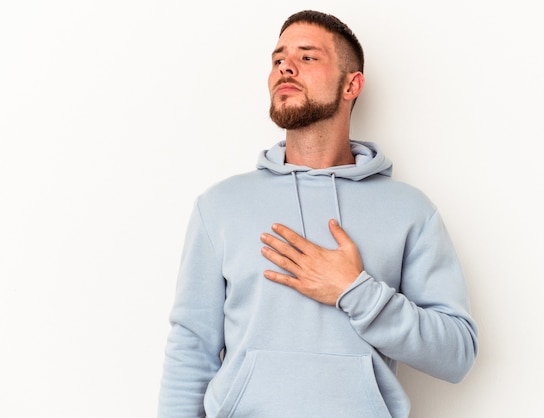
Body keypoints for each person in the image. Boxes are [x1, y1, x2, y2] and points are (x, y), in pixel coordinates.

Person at [158, 10, 478, 418]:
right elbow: (190, 349)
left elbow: (457, 354)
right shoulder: (220, 206)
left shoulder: (410, 211)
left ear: (352, 84)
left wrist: (355, 290)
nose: (285, 67)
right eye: (278, 59)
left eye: (307, 57)